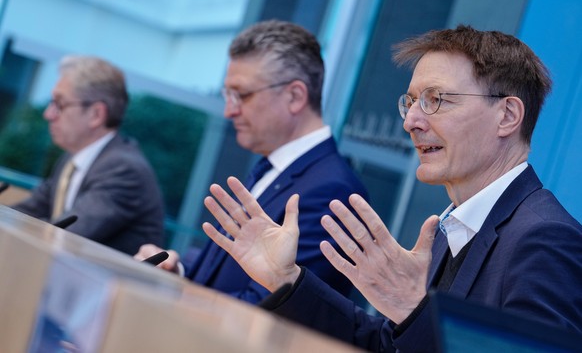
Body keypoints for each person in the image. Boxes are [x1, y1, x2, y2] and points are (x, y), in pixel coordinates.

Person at [201, 25, 582, 351]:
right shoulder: (452, 230)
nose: (411, 121)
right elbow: (388, 344)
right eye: (411, 102)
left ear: (507, 115)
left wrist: (416, 312)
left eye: (436, 100)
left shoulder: (545, 237)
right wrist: (286, 280)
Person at [136, 20, 368, 303]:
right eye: (227, 95)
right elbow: (224, 266)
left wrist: (174, 297)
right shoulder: (274, 168)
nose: (229, 111)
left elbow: (269, 307)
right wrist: (178, 269)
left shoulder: (333, 191)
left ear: (294, 96)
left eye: (241, 95)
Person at [12, 55, 165, 255]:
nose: (48, 114)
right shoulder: (71, 159)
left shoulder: (124, 169)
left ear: (96, 114)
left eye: (59, 104)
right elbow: (28, 211)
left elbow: (65, 235)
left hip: (112, 285)